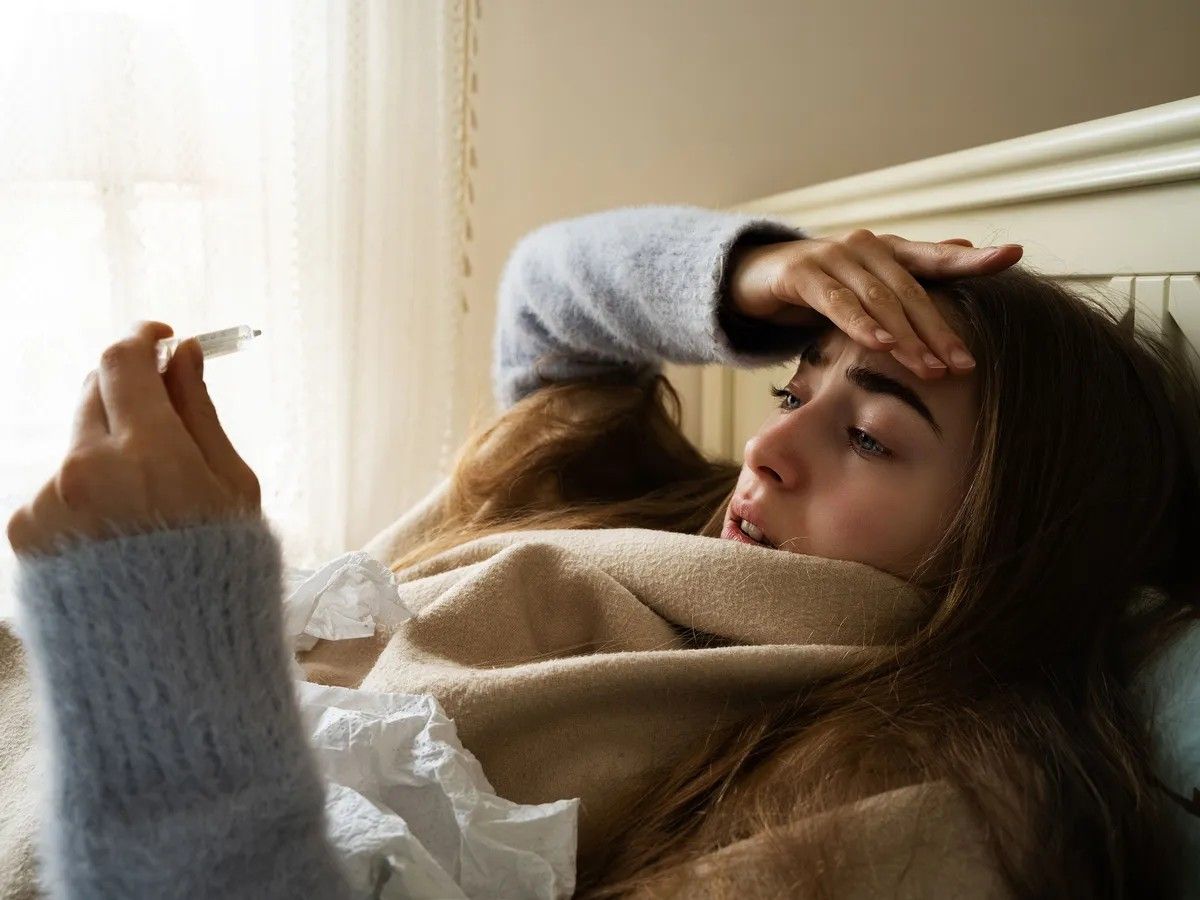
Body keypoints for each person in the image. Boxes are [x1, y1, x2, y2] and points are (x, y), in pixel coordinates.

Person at [7, 205, 1198, 898]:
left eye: (870, 438)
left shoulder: (910, 804)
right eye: (792, 389)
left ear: (1013, 546)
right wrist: (757, 275)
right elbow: (546, 295)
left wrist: (157, 635)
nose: (768, 447)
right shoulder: (638, 497)